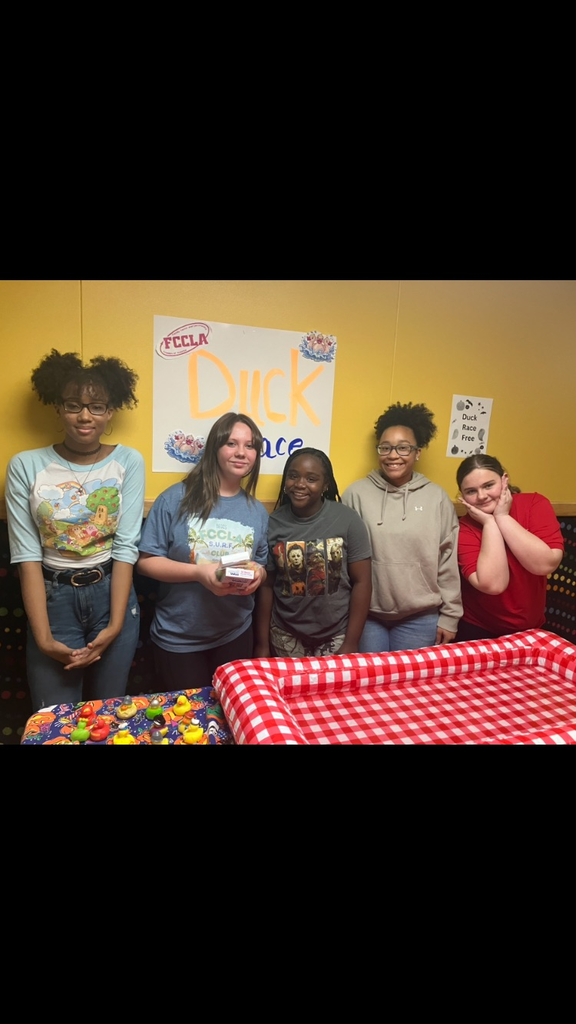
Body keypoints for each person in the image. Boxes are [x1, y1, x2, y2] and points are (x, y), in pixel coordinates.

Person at [5, 348, 145, 711]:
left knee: (110, 715)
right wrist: (44, 638)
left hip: (111, 596)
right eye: (73, 405)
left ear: (110, 411)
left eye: (96, 406)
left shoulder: (128, 461)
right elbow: (26, 556)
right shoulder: (25, 465)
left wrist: (114, 626)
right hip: (53, 600)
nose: (85, 415)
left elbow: (126, 547)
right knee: (55, 719)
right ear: (58, 408)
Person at [136, 412, 269, 690]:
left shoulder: (257, 511)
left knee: (231, 722)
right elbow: (146, 562)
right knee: (188, 727)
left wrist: (258, 574)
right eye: (231, 443)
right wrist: (199, 573)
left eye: (250, 445)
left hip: (236, 633)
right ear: (214, 449)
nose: (241, 453)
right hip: (179, 638)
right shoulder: (175, 498)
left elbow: (259, 564)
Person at [341, 401, 462, 651]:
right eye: (386, 448)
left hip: (421, 618)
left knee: (411, 690)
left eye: (403, 448)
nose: (393, 455)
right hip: (368, 615)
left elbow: (448, 560)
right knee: (370, 686)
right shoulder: (356, 494)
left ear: (418, 452)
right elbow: (343, 559)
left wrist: (450, 616)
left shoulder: (436, 498)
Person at [254, 448, 372, 658]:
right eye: (293, 476)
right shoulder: (273, 523)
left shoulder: (347, 520)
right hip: (285, 634)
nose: (300, 484)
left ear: (325, 484)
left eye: (311, 478)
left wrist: (352, 642)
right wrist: (262, 644)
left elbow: (362, 582)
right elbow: (267, 586)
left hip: (337, 634)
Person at [455, 454, 564, 641]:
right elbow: (494, 585)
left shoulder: (534, 504)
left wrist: (503, 517)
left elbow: (545, 565)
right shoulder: (464, 528)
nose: (481, 496)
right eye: (471, 491)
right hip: (478, 628)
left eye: (489, 485)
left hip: (531, 627)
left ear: (504, 480)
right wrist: (489, 523)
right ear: (462, 495)